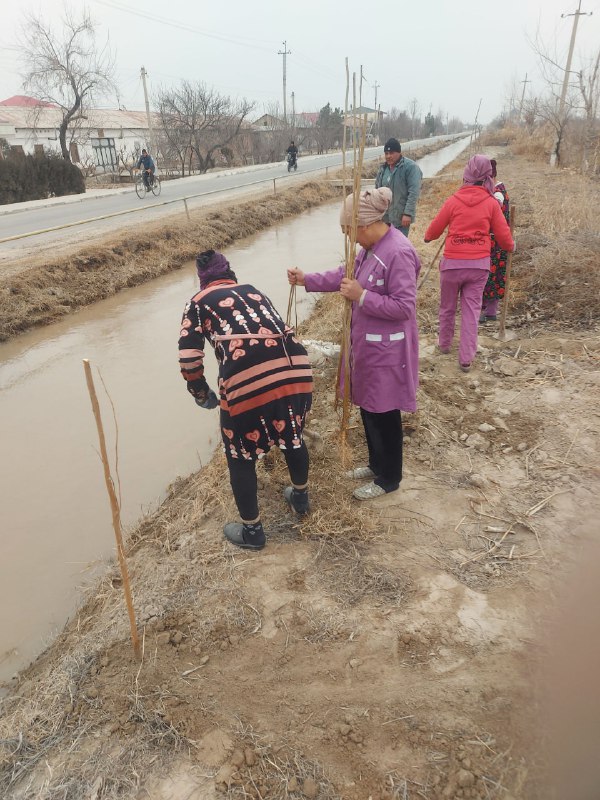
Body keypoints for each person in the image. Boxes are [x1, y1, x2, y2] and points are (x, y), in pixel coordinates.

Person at [288, 187, 420, 501]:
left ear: (364, 226)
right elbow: (343, 275)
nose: (350, 239)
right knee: (369, 407)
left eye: (349, 232)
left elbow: (405, 307)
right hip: (368, 346)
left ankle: (390, 478)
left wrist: (362, 296)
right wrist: (307, 279)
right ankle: (376, 464)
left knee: (384, 412)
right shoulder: (370, 249)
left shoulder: (397, 252)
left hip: (388, 350)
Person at [178, 250, 313, 551]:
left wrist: (201, 394)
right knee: (292, 433)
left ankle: (253, 532)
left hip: (246, 380)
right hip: (296, 370)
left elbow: (188, 358)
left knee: (239, 455)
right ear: (229, 273)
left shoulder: (197, 303)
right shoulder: (252, 290)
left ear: (202, 280)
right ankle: (301, 499)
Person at [424, 154, 515, 373]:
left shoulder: (453, 200)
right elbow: (504, 238)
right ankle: (466, 358)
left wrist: (428, 237)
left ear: (466, 174)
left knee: (447, 308)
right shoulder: (491, 203)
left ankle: (444, 345)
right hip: (478, 266)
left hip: (452, 265)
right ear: (487, 176)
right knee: (471, 311)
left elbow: (434, 230)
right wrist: (512, 246)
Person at [480, 159, 510, 322]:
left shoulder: (496, 193)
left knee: (489, 275)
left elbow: (492, 215)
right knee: (492, 275)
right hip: (498, 240)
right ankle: (489, 309)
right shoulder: (497, 189)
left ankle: (487, 310)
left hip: (494, 242)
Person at [374, 137, 422, 237]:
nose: (388, 156)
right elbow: (376, 192)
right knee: (385, 246)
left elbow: (413, 192)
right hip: (384, 218)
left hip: (401, 218)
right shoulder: (383, 169)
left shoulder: (410, 167)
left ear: (399, 152)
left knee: (399, 246)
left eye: (391, 153)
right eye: (386, 154)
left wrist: (408, 213)